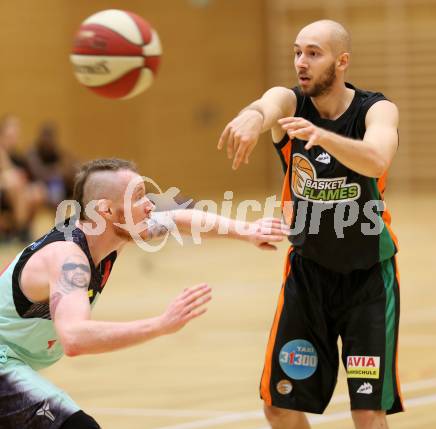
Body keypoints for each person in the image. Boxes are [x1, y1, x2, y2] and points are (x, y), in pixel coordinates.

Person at [0, 157, 287, 429]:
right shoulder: (69, 260)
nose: (149, 204)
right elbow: (74, 338)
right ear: (106, 210)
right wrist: (160, 325)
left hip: (14, 361)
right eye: (137, 196)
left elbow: (178, 219)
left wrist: (246, 230)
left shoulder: (108, 233)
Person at [218, 19, 402, 429]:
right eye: (297, 52)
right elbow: (269, 103)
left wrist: (324, 137)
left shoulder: (376, 108)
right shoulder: (291, 102)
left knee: (368, 411)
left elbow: (377, 159)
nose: (301, 62)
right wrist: (252, 116)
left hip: (369, 282)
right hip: (308, 279)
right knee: (278, 405)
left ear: (342, 62)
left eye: (314, 53)